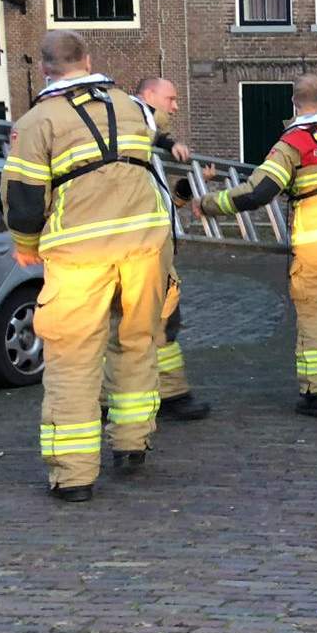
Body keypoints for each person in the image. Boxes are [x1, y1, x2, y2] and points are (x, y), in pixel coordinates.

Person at [1, 31, 172, 502]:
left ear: (43, 68)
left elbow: (24, 196)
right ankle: (132, 445)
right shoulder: (134, 107)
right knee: (137, 340)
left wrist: (26, 244)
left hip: (80, 252)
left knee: (73, 359)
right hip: (145, 243)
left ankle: (73, 476)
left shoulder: (37, 121)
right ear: (89, 60)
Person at [195, 74, 317, 417]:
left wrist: (210, 203)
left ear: (293, 102)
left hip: (315, 245)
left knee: (316, 319)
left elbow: (259, 191)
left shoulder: (291, 144)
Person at [101, 76, 211, 422]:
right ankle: (171, 395)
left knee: (129, 329)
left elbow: (161, 201)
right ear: (148, 96)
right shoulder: (133, 123)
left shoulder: (141, 160)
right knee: (161, 324)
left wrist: (190, 186)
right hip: (145, 254)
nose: (175, 107)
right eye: (171, 98)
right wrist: (168, 140)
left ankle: (109, 400)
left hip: (141, 248)